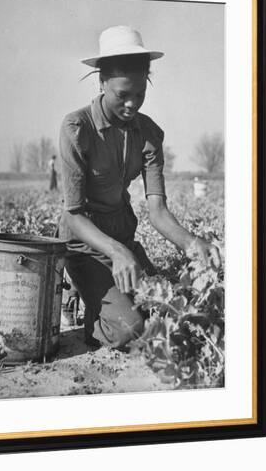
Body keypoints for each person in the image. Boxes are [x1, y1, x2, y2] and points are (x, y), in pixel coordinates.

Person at [58, 25, 221, 349]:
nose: (132, 104)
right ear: (101, 82)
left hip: (123, 240)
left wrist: (191, 244)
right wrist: (116, 252)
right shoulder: (78, 128)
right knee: (130, 329)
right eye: (123, 95)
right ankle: (81, 295)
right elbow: (74, 214)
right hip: (83, 243)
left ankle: (104, 293)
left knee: (166, 308)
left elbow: (157, 211)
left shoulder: (148, 135)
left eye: (140, 95)